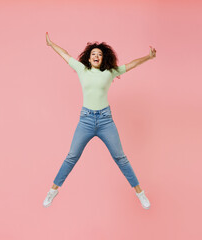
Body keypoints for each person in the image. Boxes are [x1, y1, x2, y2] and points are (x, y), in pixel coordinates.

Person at [43, 32, 156, 209]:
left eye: (100, 54)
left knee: (120, 157)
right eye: (93, 54)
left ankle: (140, 193)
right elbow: (64, 54)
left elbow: (131, 65)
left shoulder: (110, 72)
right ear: (88, 58)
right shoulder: (82, 69)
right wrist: (51, 44)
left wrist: (148, 57)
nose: (96, 56)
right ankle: (53, 190)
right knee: (72, 156)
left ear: (104, 59)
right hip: (86, 120)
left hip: (105, 121)